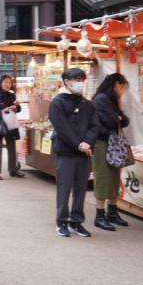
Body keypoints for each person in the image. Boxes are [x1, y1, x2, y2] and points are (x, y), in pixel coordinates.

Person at [49, 67, 100, 238]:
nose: (80, 83)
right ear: (66, 82)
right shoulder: (57, 102)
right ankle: (61, 221)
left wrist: (87, 142)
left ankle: (76, 222)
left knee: (81, 188)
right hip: (66, 152)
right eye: (76, 80)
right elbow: (62, 128)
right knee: (64, 188)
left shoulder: (87, 103)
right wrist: (79, 144)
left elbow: (95, 125)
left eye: (81, 80)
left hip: (83, 153)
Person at [91, 73, 131, 231]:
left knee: (114, 177)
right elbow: (111, 121)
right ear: (116, 84)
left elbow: (124, 121)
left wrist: (118, 118)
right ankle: (99, 215)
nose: (123, 91)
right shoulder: (102, 99)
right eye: (122, 87)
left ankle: (112, 212)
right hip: (102, 143)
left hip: (113, 143)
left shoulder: (111, 100)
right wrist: (118, 118)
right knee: (103, 177)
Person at [0, 75, 25, 180]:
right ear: (0, 83)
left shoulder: (12, 96)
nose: (8, 84)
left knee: (12, 148)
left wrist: (16, 106)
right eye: (5, 82)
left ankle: (13, 170)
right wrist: (4, 111)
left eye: (9, 82)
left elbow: (17, 110)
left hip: (11, 125)